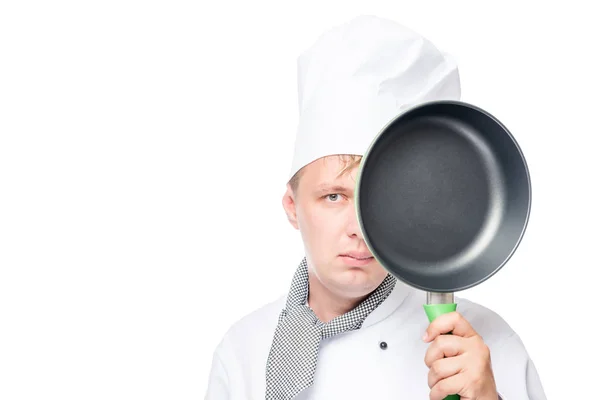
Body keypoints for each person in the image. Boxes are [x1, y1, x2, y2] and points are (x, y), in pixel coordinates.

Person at [204, 15, 546, 400]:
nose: (359, 227)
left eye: (378, 201)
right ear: (292, 206)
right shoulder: (242, 352)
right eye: (333, 196)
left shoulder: (485, 348)